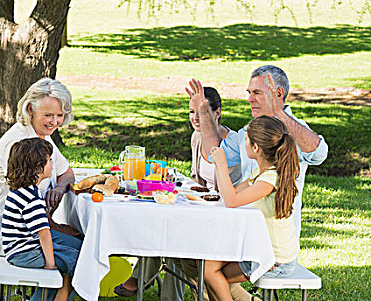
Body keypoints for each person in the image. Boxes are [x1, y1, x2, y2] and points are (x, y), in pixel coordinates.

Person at [115, 87, 253, 301]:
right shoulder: (197, 137)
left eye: (201, 112)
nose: (195, 118)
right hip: (199, 207)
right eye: (191, 112)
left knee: (172, 238)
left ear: (217, 113)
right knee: (167, 230)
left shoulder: (231, 144)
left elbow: (226, 192)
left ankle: (139, 280)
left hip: (221, 215)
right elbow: (196, 178)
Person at [188, 65, 328, 239]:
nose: (250, 99)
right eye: (249, 93)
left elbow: (319, 154)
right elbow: (214, 153)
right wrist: (203, 111)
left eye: (257, 93)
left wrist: (279, 112)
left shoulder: (294, 130)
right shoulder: (248, 131)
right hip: (245, 229)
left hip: (275, 239)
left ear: (278, 93)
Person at [0, 78, 76, 300]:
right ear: (30, 110)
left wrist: (59, 187)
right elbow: (31, 212)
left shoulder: (41, 137)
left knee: (81, 244)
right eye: (48, 115)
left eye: (59, 115)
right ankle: (56, 294)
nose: (54, 121)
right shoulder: (21, 145)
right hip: (13, 234)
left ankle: (59, 294)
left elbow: (67, 172)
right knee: (78, 254)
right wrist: (54, 226)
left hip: (30, 229)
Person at [204, 116, 300, 300]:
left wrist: (222, 164)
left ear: (256, 148)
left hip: (275, 259)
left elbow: (232, 200)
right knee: (209, 267)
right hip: (259, 247)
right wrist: (219, 166)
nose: (244, 143)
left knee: (213, 273)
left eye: (246, 139)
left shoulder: (269, 179)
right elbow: (230, 193)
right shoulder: (261, 172)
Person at [2, 138, 81, 301]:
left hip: (18, 248)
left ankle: (57, 295)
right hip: (26, 252)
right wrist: (50, 264)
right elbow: (43, 233)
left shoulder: (21, 190)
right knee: (78, 261)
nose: (52, 163)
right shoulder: (33, 198)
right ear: (38, 168)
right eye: (49, 160)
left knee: (76, 252)